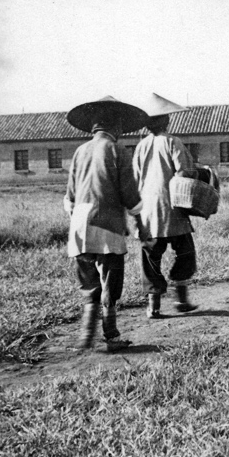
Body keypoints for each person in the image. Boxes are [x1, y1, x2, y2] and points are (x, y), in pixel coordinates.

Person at [64, 96, 147, 350]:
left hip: (79, 223)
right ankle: (110, 335)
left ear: (93, 127)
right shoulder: (117, 151)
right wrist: (139, 221)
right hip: (107, 223)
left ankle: (85, 335)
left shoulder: (80, 151)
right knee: (111, 276)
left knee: (88, 281)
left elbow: (70, 196)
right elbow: (129, 194)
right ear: (117, 127)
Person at [132, 93, 198, 318]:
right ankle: (181, 299)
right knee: (186, 251)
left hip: (148, 212)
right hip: (173, 208)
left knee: (151, 257)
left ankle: (153, 306)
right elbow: (185, 173)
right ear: (166, 121)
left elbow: (136, 178)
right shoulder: (172, 142)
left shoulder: (140, 146)